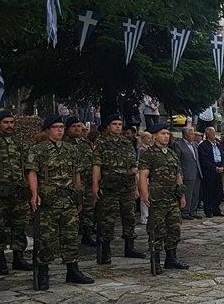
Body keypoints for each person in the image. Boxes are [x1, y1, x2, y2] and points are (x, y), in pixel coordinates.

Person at [26, 115, 94, 290]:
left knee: (70, 236)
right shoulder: (38, 150)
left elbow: (76, 173)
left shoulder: (71, 149)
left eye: (62, 127)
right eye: (56, 127)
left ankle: (73, 270)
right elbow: (32, 172)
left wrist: (78, 196)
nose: (59, 130)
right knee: (46, 238)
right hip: (48, 200)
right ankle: (43, 272)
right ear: (48, 130)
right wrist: (34, 194)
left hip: (68, 199)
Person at [92, 115, 146, 263]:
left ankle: (130, 247)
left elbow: (133, 167)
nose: (117, 127)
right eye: (114, 124)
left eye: (119, 124)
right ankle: (106, 251)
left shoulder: (126, 143)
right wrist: (95, 185)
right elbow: (97, 165)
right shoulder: (101, 142)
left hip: (127, 186)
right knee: (108, 219)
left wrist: (135, 187)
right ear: (108, 126)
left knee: (129, 217)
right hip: (109, 186)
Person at [138, 122, 189, 275]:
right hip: (158, 199)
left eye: (167, 133)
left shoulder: (172, 153)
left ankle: (171, 258)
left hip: (172, 198)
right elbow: (143, 175)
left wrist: (181, 195)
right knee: (156, 230)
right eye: (163, 133)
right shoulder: (149, 154)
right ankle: (155, 260)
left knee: (174, 229)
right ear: (154, 136)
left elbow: (178, 175)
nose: (166, 136)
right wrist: (144, 194)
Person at [0, 110, 33, 275]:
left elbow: (27, 167)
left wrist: (29, 187)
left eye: (12, 122)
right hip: (0, 193)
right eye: (5, 123)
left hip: (19, 192)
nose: (9, 126)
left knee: (20, 225)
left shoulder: (20, 144)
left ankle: (18, 257)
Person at [64, 118, 96, 247]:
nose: (77, 129)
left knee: (89, 208)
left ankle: (87, 234)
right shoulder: (64, 144)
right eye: (74, 126)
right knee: (73, 209)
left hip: (88, 181)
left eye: (79, 126)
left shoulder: (86, 143)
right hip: (71, 183)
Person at [198, 127, 224, 217]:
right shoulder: (203, 146)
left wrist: (222, 166)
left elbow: (222, 156)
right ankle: (208, 210)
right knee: (209, 191)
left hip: (219, 168)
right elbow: (204, 159)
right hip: (209, 171)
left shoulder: (218, 145)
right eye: (212, 133)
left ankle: (216, 209)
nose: (214, 135)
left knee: (218, 191)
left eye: (214, 133)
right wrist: (214, 168)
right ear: (207, 134)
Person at [137, 132, 153, 225]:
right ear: (143, 139)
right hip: (143, 173)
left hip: (150, 173)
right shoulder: (141, 149)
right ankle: (144, 216)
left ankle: (149, 215)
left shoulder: (150, 148)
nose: (150, 140)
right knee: (144, 194)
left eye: (150, 138)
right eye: (148, 138)